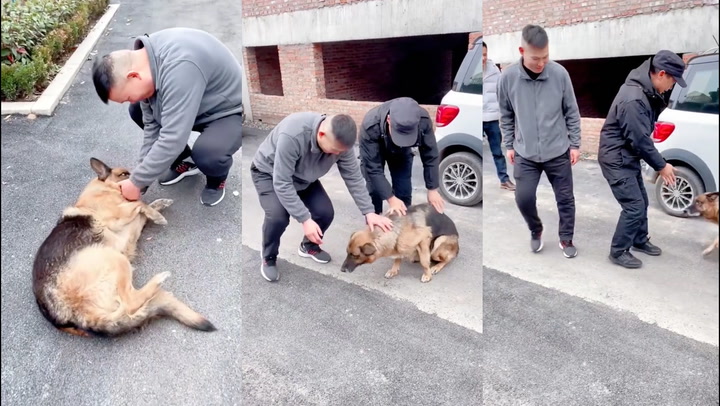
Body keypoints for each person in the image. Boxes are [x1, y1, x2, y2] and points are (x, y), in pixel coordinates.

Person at [91, 27, 244, 207]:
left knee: (208, 154)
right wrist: (141, 178)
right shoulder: (146, 62)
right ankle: (186, 162)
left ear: (133, 76)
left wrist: (135, 183)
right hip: (193, 103)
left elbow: (173, 138)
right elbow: (152, 127)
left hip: (226, 110)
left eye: (128, 97)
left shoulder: (180, 65)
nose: (130, 100)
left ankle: (216, 180)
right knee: (136, 111)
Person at [250, 112, 394, 282]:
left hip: (304, 178)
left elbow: (353, 177)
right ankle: (268, 256)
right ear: (321, 134)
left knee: (324, 212)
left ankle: (308, 246)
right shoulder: (292, 135)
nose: (336, 154)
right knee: (278, 217)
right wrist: (305, 219)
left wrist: (369, 212)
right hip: (269, 174)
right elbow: (282, 182)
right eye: (334, 151)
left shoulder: (341, 145)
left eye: (340, 152)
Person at [497, 24, 582, 258]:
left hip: (558, 150)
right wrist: (509, 145)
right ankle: (536, 230)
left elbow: (571, 111)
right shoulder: (508, 78)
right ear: (522, 51)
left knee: (565, 199)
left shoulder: (559, 74)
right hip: (525, 152)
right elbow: (505, 114)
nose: (541, 63)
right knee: (523, 198)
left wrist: (574, 144)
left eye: (546, 57)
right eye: (536, 58)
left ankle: (566, 238)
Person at [598, 50, 684, 269]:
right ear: (661, 74)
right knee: (634, 206)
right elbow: (639, 140)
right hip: (616, 158)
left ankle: (638, 240)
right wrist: (662, 166)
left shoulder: (645, 90)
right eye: (673, 80)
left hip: (627, 155)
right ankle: (618, 251)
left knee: (642, 201)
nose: (672, 86)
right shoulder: (634, 99)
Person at [358, 97, 445, 215]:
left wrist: (432, 188)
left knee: (403, 190)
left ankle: (403, 223)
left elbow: (430, 155)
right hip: (376, 148)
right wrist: (391, 198)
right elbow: (373, 170)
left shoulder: (422, 120)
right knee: (374, 190)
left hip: (401, 152)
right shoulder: (370, 125)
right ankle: (375, 220)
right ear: (389, 120)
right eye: (400, 135)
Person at [482, 42, 515, 191]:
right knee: (473, 152)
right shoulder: (469, 72)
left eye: (484, 55)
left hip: (492, 118)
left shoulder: (494, 70)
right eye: (480, 55)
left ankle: (504, 180)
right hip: (475, 118)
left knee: (497, 152)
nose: (482, 58)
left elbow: (502, 92)